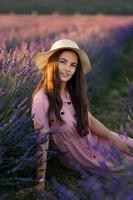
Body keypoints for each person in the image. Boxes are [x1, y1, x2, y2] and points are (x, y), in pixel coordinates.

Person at [31, 39, 133, 191]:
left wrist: (113, 137)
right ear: (52, 63)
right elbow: (42, 142)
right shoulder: (42, 100)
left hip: (96, 141)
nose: (67, 69)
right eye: (63, 62)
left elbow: (89, 120)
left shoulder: (71, 91)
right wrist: (40, 182)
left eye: (73, 65)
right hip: (82, 156)